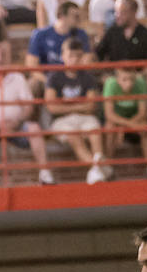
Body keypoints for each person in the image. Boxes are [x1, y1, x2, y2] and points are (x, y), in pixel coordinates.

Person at [0, 40, 54, 188]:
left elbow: (28, 107)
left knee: (34, 127)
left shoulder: (17, 77)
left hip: (16, 127)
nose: (0, 59)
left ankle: (45, 173)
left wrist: (17, 121)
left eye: (3, 55)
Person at [43, 38, 105, 186]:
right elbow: (51, 107)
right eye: (71, 55)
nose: (75, 59)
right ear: (63, 56)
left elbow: (91, 106)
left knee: (95, 132)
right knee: (74, 136)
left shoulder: (88, 77)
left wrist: (66, 104)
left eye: (78, 56)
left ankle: (96, 171)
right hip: (61, 121)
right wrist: (79, 106)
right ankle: (99, 169)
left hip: (85, 118)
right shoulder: (54, 77)